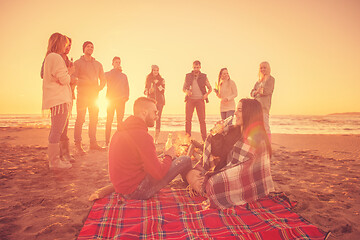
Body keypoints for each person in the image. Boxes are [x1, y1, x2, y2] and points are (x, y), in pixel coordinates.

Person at [186, 98, 274, 209]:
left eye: (240, 110)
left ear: (250, 113)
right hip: (225, 172)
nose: (235, 113)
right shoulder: (232, 130)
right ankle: (205, 189)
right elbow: (219, 153)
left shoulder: (257, 138)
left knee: (213, 184)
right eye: (236, 110)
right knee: (191, 173)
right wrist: (217, 135)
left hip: (243, 180)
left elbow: (247, 169)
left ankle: (205, 189)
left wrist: (215, 176)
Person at [107, 97, 192, 200]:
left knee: (162, 158)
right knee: (185, 159)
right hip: (136, 191)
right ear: (144, 113)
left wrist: (165, 158)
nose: (157, 116)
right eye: (155, 112)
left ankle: (189, 180)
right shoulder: (142, 136)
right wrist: (169, 155)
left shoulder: (121, 131)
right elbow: (158, 173)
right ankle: (191, 183)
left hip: (122, 188)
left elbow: (139, 162)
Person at [41, 36, 76, 163]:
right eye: (66, 44)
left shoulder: (53, 57)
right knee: (58, 130)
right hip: (59, 98)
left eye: (69, 45)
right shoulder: (55, 57)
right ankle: (55, 160)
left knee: (61, 129)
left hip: (65, 96)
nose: (67, 47)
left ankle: (61, 156)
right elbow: (64, 78)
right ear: (60, 44)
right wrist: (69, 73)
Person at [73, 41, 106, 154]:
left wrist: (99, 88)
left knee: (94, 119)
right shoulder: (77, 63)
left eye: (92, 47)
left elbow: (103, 79)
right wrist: (85, 82)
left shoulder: (98, 64)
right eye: (88, 47)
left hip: (94, 97)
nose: (90, 48)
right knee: (80, 119)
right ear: (84, 49)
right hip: (82, 95)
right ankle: (78, 144)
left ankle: (93, 143)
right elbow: (73, 78)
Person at [183, 60, 212, 141]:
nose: (196, 69)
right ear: (192, 67)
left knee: (202, 121)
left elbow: (210, 88)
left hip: (200, 100)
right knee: (188, 120)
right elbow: (183, 88)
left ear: (200, 67)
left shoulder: (204, 76)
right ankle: (187, 139)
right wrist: (187, 91)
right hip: (190, 100)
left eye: (198, 67)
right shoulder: (188, 76)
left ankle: (204, 140)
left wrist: (206, 95)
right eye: (195, 67)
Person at [105, 56, 129, 146]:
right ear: (112, 64)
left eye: (119, 62)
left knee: (120, 121)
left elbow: (127, 87)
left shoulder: (123, 76)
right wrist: (116, 71)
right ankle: (107, 142)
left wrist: (126, 97)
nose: (118, 64)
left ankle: (119, 141)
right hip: (110, 100)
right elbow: (104, 78)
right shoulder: (109, 74)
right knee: (109, 120)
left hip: (121, 102)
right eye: (116, 62)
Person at [250, 61, 275, 140]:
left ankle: (268, 145)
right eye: (261, 68)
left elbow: (267, 91)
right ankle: (258, 144)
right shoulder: (258, 81)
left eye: (265, 67)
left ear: (268, 68)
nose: (263, 69)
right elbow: (252, 93)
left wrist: (259, 92)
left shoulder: (271, 79)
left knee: (265, 126)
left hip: (264, 107)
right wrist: (257, 91)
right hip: (256, 107)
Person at [144, 65, 165, 143]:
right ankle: (146, 135)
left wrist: (158, 84)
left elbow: (163, 91)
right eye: (154, 70)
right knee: (148, 117)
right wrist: (149, 91)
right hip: (151, 101)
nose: (156, 72)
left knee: (158, 118)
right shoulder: (148, 79)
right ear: (152, 71)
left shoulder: (162, 80)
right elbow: (145, 90)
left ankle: (156, 139)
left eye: (157, 70)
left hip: (160, 101)